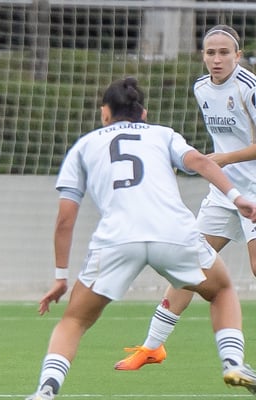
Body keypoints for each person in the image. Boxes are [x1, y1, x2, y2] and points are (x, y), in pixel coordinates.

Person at [25, 77, 256, 400]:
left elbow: (65, 220)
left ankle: (46, 391)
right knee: (221, 290)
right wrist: (236, 197)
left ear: (105, 113)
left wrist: (60, 277)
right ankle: (232, 363)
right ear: (143, 114)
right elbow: (201, 162)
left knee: (74, 320)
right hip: (173, 233)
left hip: (118, 238)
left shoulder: (84, 146)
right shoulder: (162, 134)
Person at [114, 24, 256, 371]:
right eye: (211, 53)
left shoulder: (249, 89)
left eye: (224, 53)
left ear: (237, 56)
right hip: (224, 192)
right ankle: (152, 347)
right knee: (188, 264)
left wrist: (224, 159)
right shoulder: (201, 88)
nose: (217, 59)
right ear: (203, 55)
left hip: (253, 190)